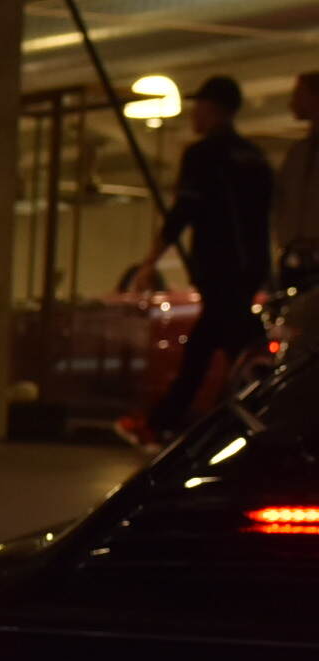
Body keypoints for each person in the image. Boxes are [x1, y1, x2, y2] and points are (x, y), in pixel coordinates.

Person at [132, 73, 276, 437]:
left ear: (210, 108)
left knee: (221, 347)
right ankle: (186, 420)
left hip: (220, 268)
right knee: (226, 345)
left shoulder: (204, 155)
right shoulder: (254, 158)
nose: (193, 115)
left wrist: (151, 261)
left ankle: (176, 422)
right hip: (249, 268)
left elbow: (184, 211)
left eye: (197, 107)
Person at [273, 69, 318, 349]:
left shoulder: (301, 155)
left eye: (299, 96)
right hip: (297, 256)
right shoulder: (299, 153)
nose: (292, 104)